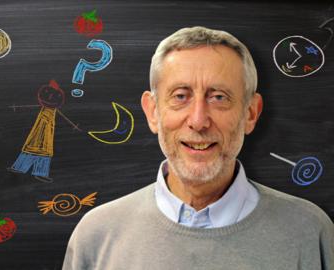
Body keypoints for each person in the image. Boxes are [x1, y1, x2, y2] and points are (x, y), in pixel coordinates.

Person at [62, 26, 334, 269]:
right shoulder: (97, 236)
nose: (198, 121)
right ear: (153, 112)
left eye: (218, 97)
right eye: (180, 96)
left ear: (251, 113)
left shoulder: (311, 233)